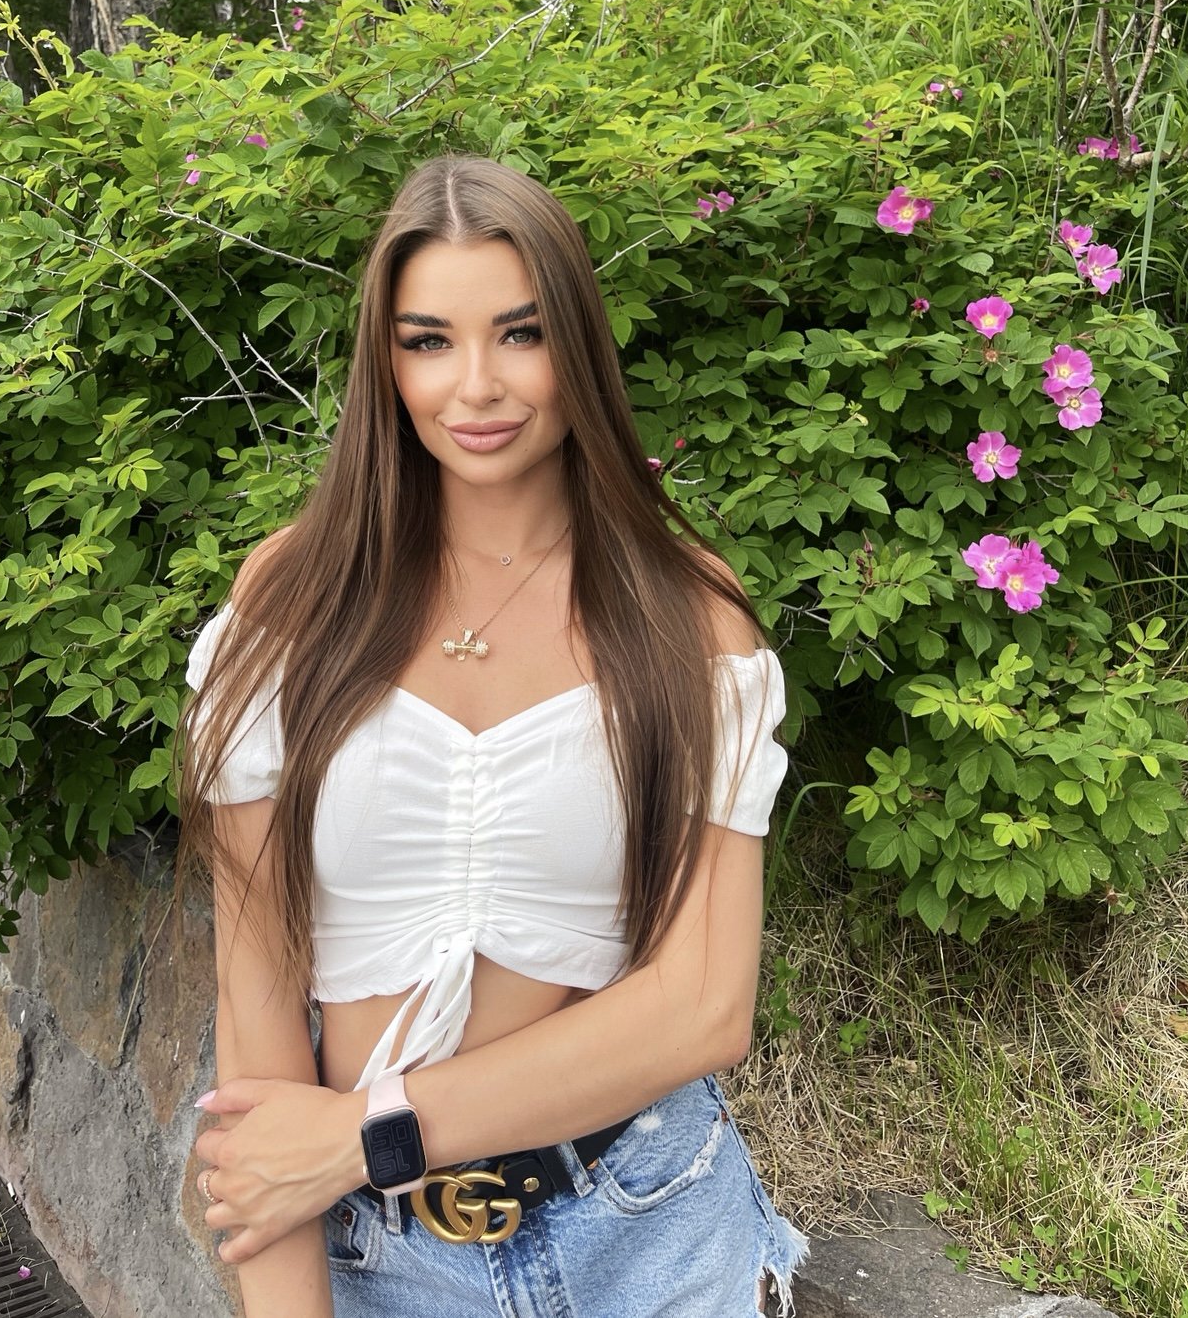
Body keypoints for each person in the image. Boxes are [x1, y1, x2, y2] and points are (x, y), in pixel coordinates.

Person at [178, 155, 810, 1318]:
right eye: (429, 341)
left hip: (649, 1232)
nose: (476, 386)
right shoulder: (294, 600)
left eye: (521, 334)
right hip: (382, 1257)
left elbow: (705, 1003)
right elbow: (255, 1015)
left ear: (579, 344)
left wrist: (367, 1134)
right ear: (386, 363)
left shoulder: (686, 614)